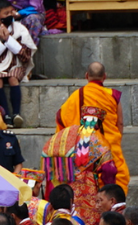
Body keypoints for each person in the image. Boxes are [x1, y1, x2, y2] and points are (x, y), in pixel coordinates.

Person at [54, 61, 131, 192]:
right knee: (114, 188)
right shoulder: (112, 96)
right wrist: (114, 143)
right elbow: (120, 123)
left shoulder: (76, 96)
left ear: (86, 76)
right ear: (104, 76)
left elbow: (62, 120)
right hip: (109, 151)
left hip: (82, 154)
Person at [42, 106, 117, 225]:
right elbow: (108, 169)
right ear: (98, 124)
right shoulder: (99, 139)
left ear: (82, 120)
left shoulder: (66, 135)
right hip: (89, 187)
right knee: (89, 221)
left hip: (67, 184)